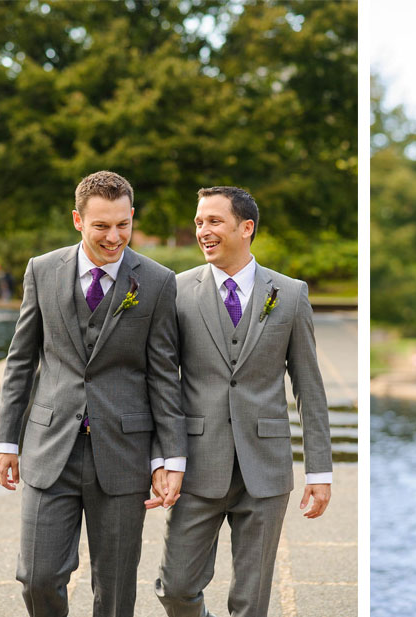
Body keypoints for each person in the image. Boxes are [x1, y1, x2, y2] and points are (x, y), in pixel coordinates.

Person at [0, 170, 187, 617]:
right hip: (50, 446)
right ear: (78, 220)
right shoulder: (42, 270)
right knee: (37, 577)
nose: (114, 236)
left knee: (116, 591)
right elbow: (21, 361)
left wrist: (170, 457)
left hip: (123, 451)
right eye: (102, 226)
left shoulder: (157, 282)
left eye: (123, 224)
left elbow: (163, 375)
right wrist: (6, 442)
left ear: (132, 216)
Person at [151, 186, 332, 617]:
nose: (203, 231)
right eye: (199, 222)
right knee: (175, 588)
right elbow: (161, 383)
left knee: (251, 603)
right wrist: (162, 458)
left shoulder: (289, 294)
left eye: (213, 221)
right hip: (195, 463)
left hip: (265, 467)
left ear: (246, 227)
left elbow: (309, 386)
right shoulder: (175, 291)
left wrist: (320, 470)